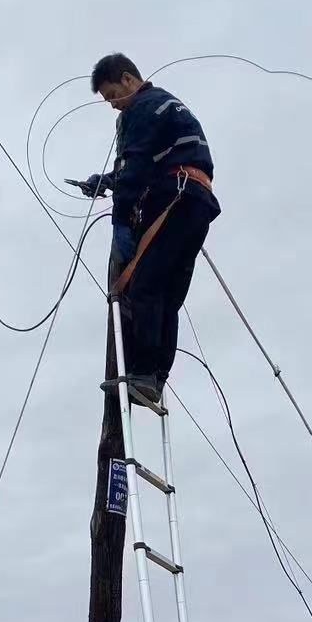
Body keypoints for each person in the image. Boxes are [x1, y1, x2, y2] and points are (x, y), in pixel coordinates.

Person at [71, 53, 220, 403]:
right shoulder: (166, 105)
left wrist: (120, 222)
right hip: (196, 201)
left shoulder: (142, 107)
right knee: (167, 295)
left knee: (144, 286)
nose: (113, 105)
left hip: (174, 199)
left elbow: (135, 168)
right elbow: (145, 162)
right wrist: (108, 180)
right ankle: (154, 378)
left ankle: (141, 374)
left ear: (127, 79)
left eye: (112, 96)